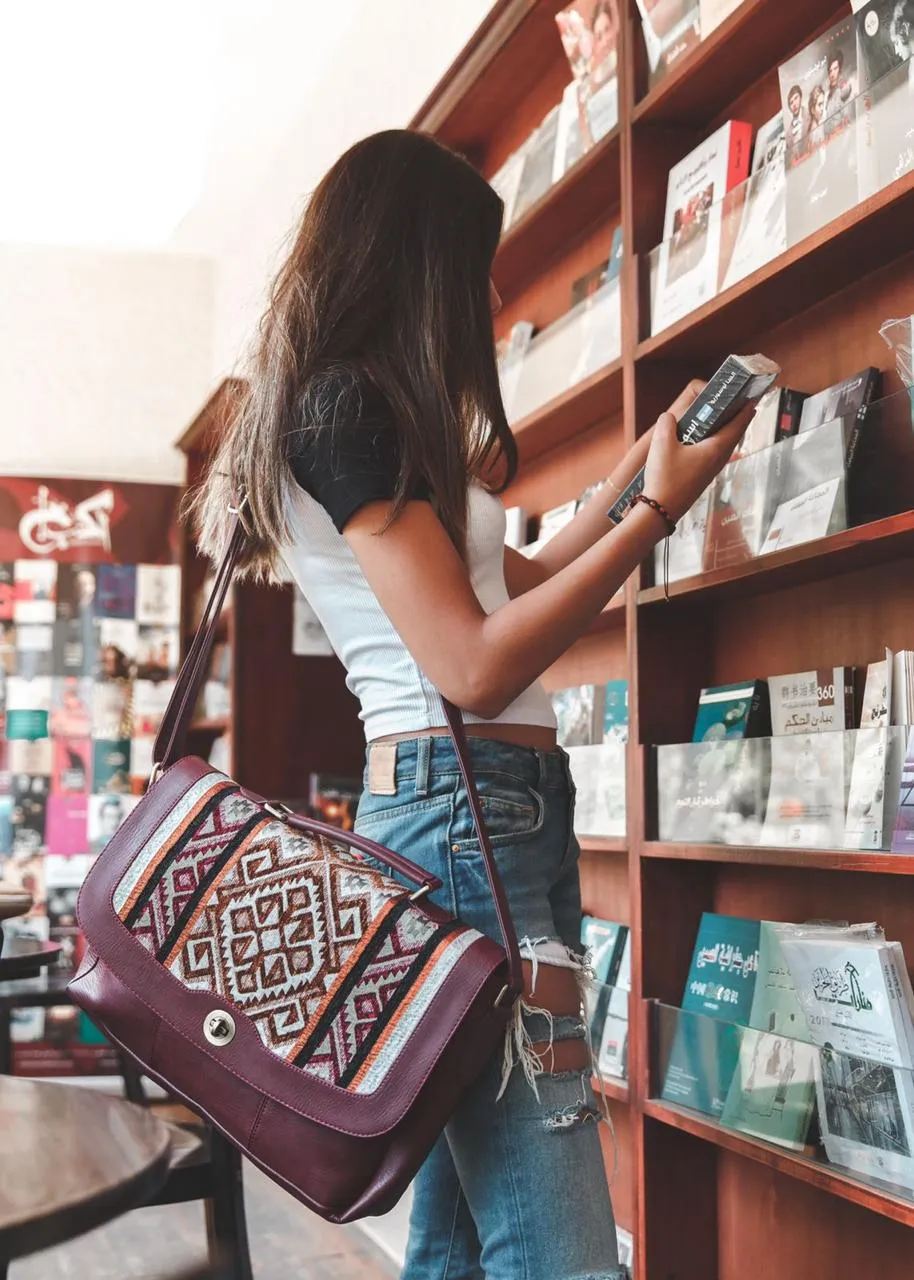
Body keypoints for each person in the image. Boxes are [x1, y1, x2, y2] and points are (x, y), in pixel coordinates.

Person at [191, 128, 744, 1280]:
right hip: (464, 825)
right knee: (561, 1245)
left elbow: (520, 587)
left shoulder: (371, 410)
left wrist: (642, 482)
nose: (489, 289)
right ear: (418, 258)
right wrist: (654, 517)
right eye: (476, 261)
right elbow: (473, 666)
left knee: (450, 1238)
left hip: (497, 814)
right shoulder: (340, 412)